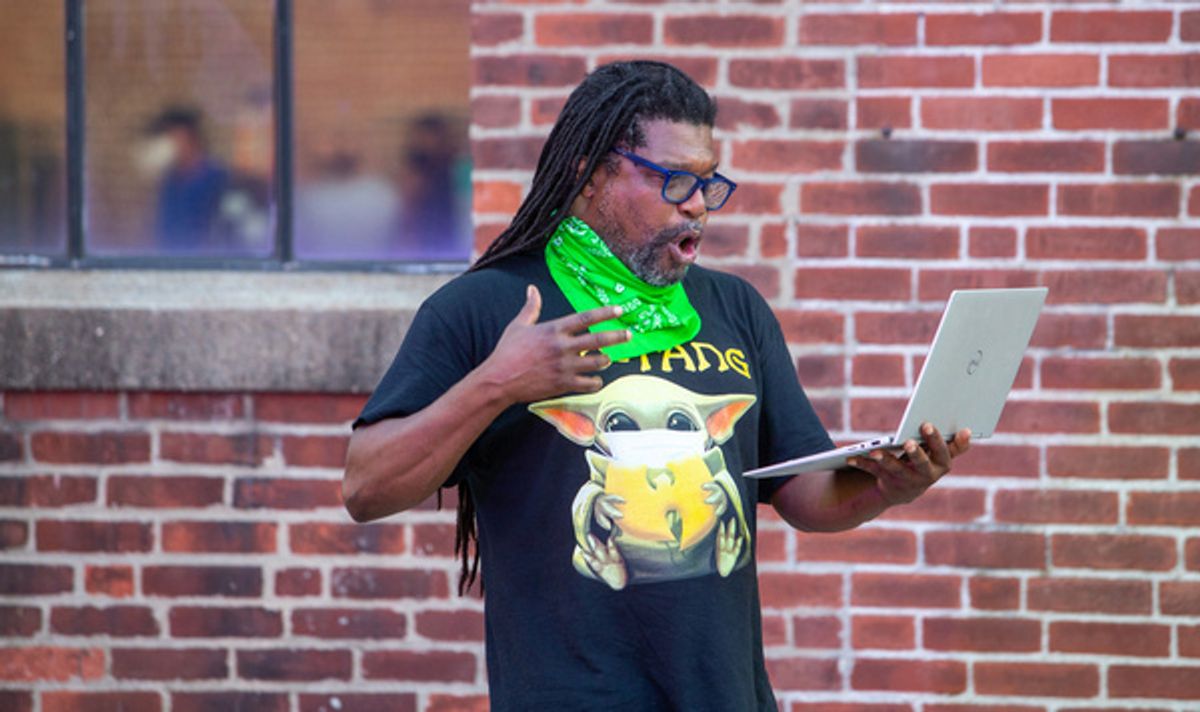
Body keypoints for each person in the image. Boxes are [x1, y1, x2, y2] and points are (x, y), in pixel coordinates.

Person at [343, 60, 971, 711]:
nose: (697, 204)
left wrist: (888, 486)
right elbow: (365, 487)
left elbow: (801, 493)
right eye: (674, 181)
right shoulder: (489, 307)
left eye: (708, 182)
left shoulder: (735, 308)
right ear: (591, 176)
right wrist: (497, 383)